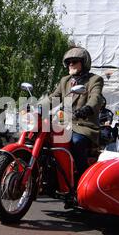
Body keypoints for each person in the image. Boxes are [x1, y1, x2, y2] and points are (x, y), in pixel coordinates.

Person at [47, 46, 104, 181]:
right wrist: (35, 107)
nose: (70, 64)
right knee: (45, 137)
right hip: (63, 123)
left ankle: (82, 178)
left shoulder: (94, 80)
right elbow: (53, 98)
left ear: (84, 63)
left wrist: (88, 108)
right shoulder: (65, 81)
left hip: (83, 124)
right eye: (68, 62)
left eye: (74, 61)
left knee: (76, 142)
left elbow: (96, 97)